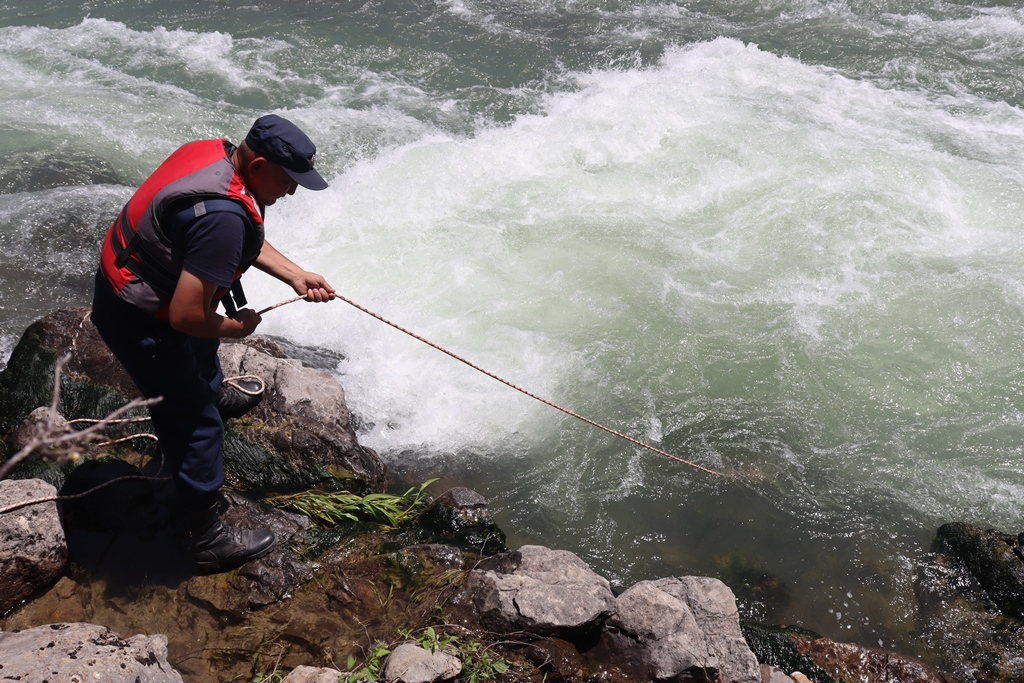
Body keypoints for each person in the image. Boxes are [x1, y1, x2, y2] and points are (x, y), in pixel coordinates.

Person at [90, 114, 336, 573]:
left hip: (128, 284)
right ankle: (206, 537)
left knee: (201, 357)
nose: (293, 191)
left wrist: (295, 274)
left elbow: (232, 229)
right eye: (289, 180)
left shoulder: (213, 154)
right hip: (139, 316)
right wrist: (235, 329)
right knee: (196, 425)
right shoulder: (222, 220)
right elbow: (186, 315)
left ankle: (212, 390)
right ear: (259, 165)